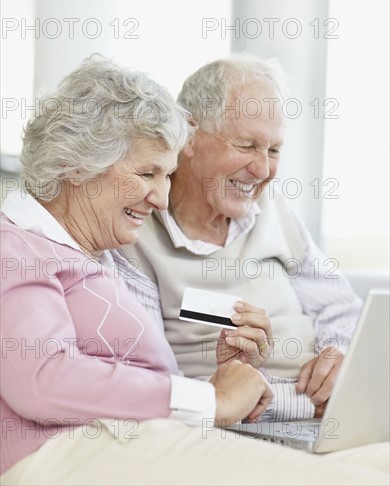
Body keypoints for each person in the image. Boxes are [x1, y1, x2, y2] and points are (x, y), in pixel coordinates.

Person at [1, 55, 388, 486]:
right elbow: (41, 379)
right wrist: (212, 396)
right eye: (148, 172)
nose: (160, 199)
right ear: (78, 167)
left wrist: (228, 374)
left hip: (150, 434)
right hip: (80, 450)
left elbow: (143, 377)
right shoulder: (24, 245)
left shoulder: (88, 250)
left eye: (274, 150)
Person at [117, 55, 364, 420]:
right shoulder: (135, 233)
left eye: (274, 150)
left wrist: (338, 359)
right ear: (189, 134)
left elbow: (340, 307)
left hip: (327, 413)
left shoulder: (273, 209)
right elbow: (156, 384)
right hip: (240, 427)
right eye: (247, 146)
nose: (263, 169)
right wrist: (311, 404)